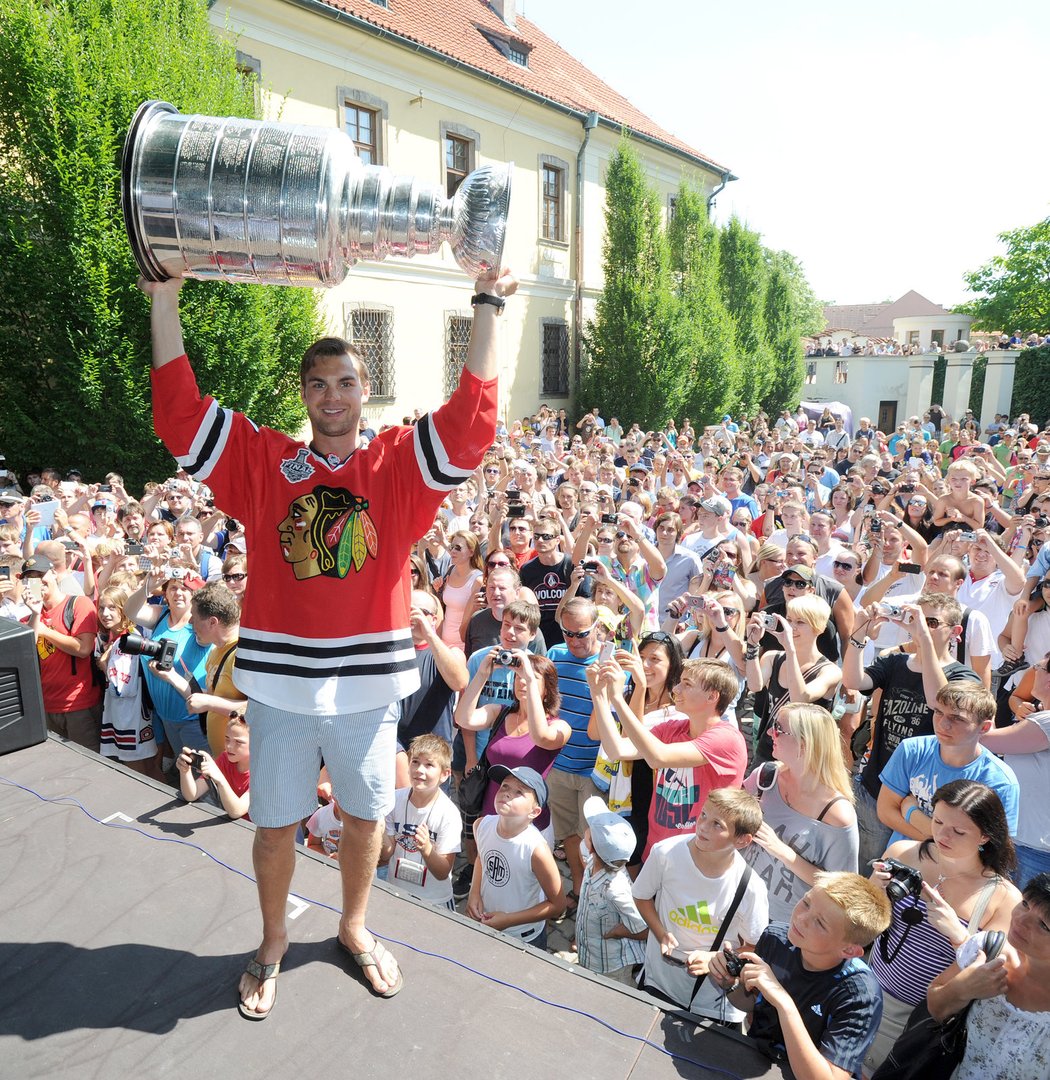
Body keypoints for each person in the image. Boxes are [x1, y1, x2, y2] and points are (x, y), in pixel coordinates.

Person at [140, 263, 516, 1018]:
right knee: (274, 825)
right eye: (318, 384)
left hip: (369, 690)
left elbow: (472, 426)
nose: (332, 397)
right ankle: (274, 940)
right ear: (304, 394)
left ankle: (352, 926)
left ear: (364, 388)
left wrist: (487, 304)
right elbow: (181, 419)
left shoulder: (396, 465)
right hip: (279, 688)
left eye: (345, 382)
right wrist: (162, 296)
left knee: (366, 819)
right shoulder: (266, 463)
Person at [863, 780, 1020, 1075]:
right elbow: (861, 928)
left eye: (959, 831)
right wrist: (873, 892)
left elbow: (991, 979)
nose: (942, 835)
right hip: (865, 991)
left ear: (986, 836)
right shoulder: (903, 852)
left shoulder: (1003, 899)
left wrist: (959, 934)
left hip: (918, 1021)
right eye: (937, 820)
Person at [709, 871, 892, 1080]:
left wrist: (784, 1002)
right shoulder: (775, 938)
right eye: (806, 902)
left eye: (820, 923)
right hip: (756, 1060)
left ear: (849, 950)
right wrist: (730, 984)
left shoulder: (861, 997)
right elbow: (752, 1005)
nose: (801, 918)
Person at [589, 656, 747, 859]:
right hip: (658, 846)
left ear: (712, 697)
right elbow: (617, 750)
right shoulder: (673, 729)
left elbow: (658, 757)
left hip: (698, 855)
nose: (676, 689)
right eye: (680, 682)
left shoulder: (727, 738)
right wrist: (599, 694)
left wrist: (618, 699)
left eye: (687, 684)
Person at [633, 788, 769, 1022]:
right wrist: (660, 933)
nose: (703, 826)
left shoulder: (751, 887)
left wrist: (716, 960)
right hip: (658, 980)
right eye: (704, 815)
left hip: (711, 1005)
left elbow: (755, 947)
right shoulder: (666, 853)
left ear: (742, 840)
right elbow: (641, 896)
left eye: (718, 824)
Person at [743, 703, 859, 924]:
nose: (769, 732)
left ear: (804, 745)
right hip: (739, 903)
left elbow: (841, 887)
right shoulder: (765, 776)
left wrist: (781, 851)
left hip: (786, 924)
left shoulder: (837, 813)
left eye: (778, 728)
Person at [926, 872, 1050, 1080]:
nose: (1022, 920)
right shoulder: (988, 950)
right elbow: (935, 1008)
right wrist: (962, 989)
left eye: (1043, 925)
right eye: (1025, 904)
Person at [876, 682, 1019, 847]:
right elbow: (886, 810)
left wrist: (912, 814)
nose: (943, 724)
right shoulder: (912, 750)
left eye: (957, 718)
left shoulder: (999, 781)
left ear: (984, 727)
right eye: (938, 712)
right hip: (902, 860)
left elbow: (992, 847)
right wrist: (940, 840)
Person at [466, 765, 565, 948]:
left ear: (534, 812)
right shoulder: (481, 825)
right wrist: (474, 893)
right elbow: (482, 858)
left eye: (519, 792)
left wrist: (509, 920)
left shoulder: (536, 849)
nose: (507, 793)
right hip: (485, 920)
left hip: (524, 936)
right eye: (504, 786)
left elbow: (558, 905)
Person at [19, 552, 102, 752]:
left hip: (78, 704)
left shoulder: (78, 604)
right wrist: (36, 614)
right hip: (46, 706)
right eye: (30, 578)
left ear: (54, 573)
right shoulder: (28, 619)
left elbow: (83, 649)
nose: (37, 581)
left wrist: (46, 631)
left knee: (89, 765)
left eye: (40, 575)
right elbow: (26, 657)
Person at [379, 734, 461, 910]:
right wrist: (378, 826)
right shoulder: (394, 800)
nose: (419, 770)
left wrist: (427, 849)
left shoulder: (449, 815)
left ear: (445, 774)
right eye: (415, 762)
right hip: (396, 891)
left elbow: (442, 872)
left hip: (434, 901)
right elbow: (386, 854)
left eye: (429, 764)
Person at [575, 796, 648, 985]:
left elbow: (644, 928)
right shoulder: (594, 860)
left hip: (610, 967)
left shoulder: (616, 890)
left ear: (592, 846)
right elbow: (583, 851)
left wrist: (617, 932)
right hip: (590, 956)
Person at [95, 584, 162, 779]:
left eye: (112, 608)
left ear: (124, 608)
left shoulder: (129, 638)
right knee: (148, 767)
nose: (105, 613)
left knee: (136, 770)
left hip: (130, 714)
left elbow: (122, 687)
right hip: (125, 712)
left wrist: (104, 666)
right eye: (101, 608)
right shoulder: (112, 637)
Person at [176, 714, 251, 820]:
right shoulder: (225, 758)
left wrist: (220, 779)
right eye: (227, 739)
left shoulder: (262, 772)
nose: (229, 746)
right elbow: (191, 795)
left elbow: (236, 811)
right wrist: (185, 771)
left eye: (238, 742)